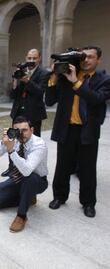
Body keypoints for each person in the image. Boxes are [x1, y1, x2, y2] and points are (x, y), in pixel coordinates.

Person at [45, 46, 110, 218]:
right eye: (83, 57)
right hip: (67, 129)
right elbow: (50, 100)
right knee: (62, 166)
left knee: (87, 169)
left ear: (98, 60)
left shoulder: (104, 79)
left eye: (90, 57)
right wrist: (54, 76)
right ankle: (59, 197)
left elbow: (96, 99)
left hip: (88, 129)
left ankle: (88, 203)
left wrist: (75, 81)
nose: (86, 60)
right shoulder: (67, 75)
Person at [0, 116, 48, 233]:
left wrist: (11, 151)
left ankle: (21, 216)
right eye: (18, 131)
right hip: (18, 178)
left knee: (29, 178)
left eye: (25, 130)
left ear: (32, 130)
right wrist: (3, 142)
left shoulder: (39, 145)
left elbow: (27, 171)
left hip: (37, 180)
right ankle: (28, 198)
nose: (21, 134)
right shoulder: (14, 140)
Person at [1, 49, 50, 177]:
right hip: (18, 114)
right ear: (26, 58)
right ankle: (12, 168)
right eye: (29, 58)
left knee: (31, 144)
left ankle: (31, 169)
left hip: (34, 115)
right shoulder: (20, 72)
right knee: (13, 141)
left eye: (34, 58)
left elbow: (40, 92)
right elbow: (12, 95)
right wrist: (16, 81)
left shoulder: (44, 73)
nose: (31, 61)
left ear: (39, 58)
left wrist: (27, 80)